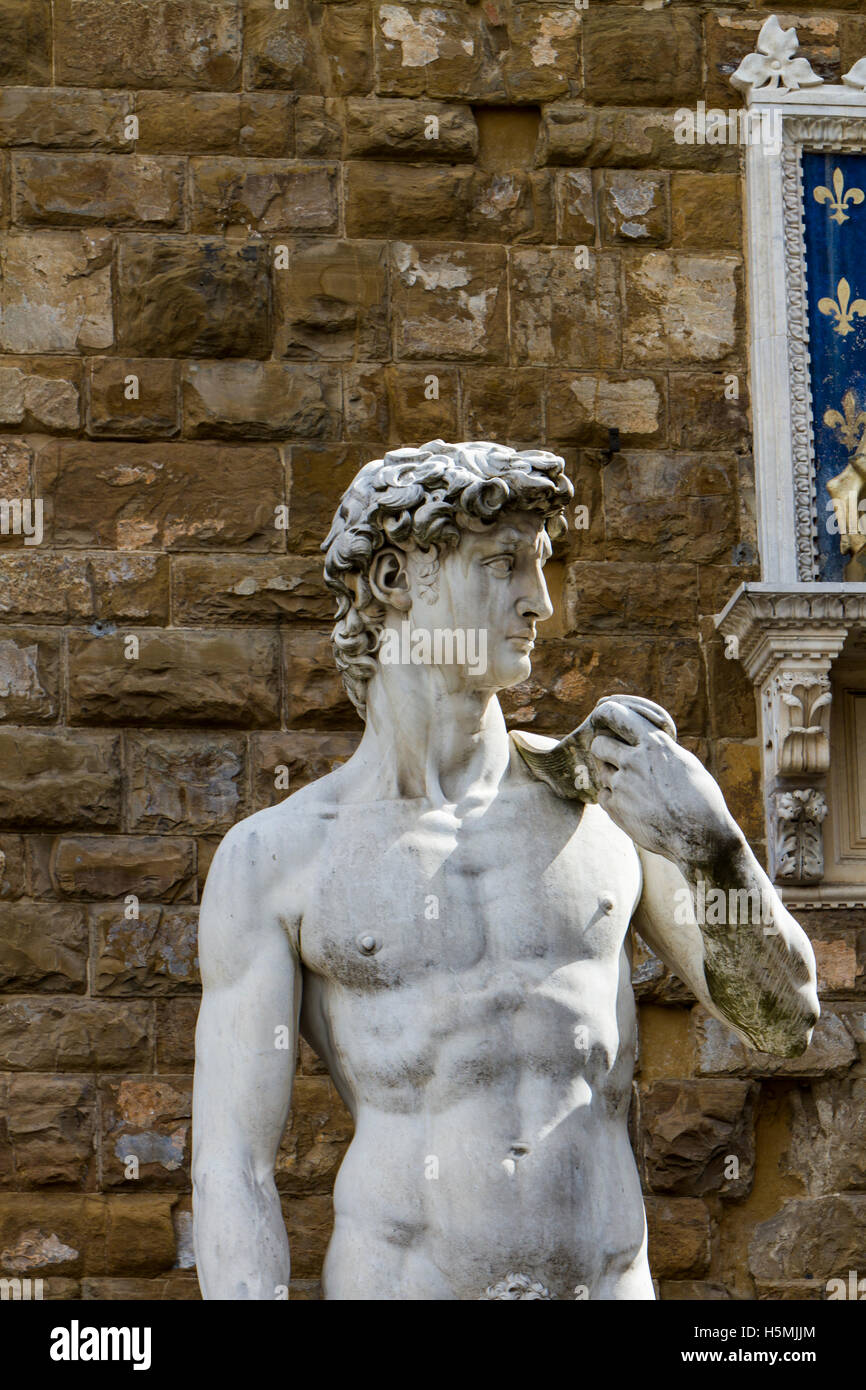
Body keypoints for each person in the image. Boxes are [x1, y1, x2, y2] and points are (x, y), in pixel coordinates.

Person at [192, 440, 818, 1300]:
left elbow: (787, 1020)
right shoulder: (279, 857)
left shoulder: (609, 801)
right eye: (503, 564)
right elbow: (234, 1171)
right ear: (393, 580)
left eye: (542, 566)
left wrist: (716, 850)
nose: (540, 603)